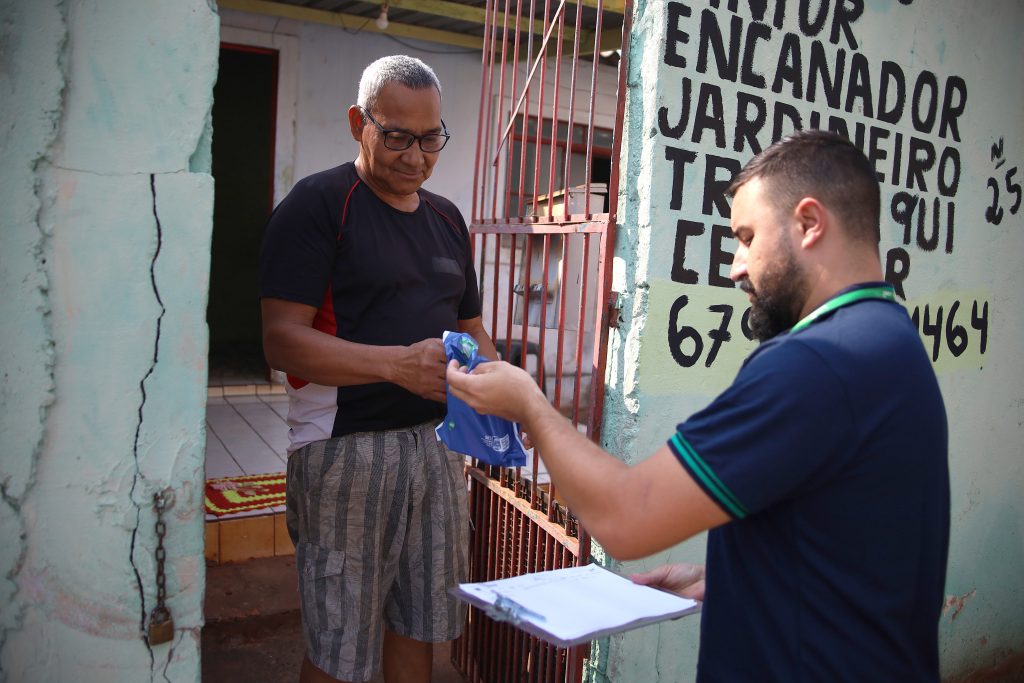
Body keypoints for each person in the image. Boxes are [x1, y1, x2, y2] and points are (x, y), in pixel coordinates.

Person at [446, 130, 950, 682]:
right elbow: (861, 534)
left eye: (746, 237)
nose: (735, 267)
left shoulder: (814, 361)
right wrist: (740, 579)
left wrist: (530, 405)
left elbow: (627, 517)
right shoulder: (891, 340)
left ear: (809, 223)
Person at [260, 55, 497, 683]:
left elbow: (470, 327)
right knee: (340, 647)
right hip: (344, 454)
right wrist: (396, 367)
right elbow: (282, 342)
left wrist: (508, 396)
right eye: (396, 136)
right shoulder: (319, 204)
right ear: (356, 123)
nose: (414, 157)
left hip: (439, 450)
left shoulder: (448, 218)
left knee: (420, 624)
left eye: (430, 139)